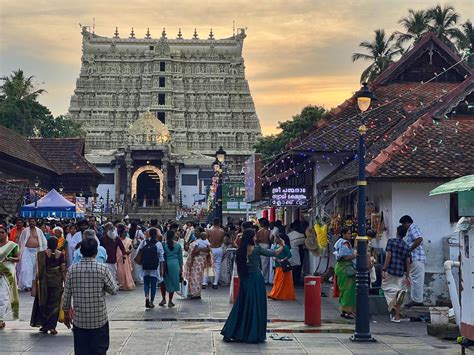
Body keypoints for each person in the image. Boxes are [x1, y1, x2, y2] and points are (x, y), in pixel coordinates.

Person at [221, 228, 285, 343]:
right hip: (256, 279)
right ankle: (253, 333)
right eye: (254, 235)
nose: (256, 237)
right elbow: (273, 253)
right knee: (256, 305)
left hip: (245, 279)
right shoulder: (256, 249)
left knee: (242, 305)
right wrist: (282, 246)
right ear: (252, 237)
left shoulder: (240, 251)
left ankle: (236, 331)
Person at [62, 237, 117, 355]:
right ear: (96, 252)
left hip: (80, 320)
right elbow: (113, 290)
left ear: (80, 251)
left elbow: (66, 295)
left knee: (82, 351)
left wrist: (66, 313)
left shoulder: (72, 270)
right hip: (99, 319)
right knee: (99, 350)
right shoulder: (103, 268)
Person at [30, 236, 67, 334]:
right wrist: (66, 282)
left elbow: (38, 272)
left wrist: (35, 283)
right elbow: (63, 270)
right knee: (54, 305)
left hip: (44, 283)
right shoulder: (61, 255)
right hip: (57, 283)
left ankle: (45, 326)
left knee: (44, 303)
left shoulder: (42, 254)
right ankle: (52, 327)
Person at [382, 225, 411, 322]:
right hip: (400, 271)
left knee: (386, 288)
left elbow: (388, 255)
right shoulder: (406, 246)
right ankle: (396, 317)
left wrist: (384, 268)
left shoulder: (391, 241)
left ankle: (391, 305)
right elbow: (408, 261)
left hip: (390, 269)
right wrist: (407, 276)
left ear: (397, 232)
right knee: (397, 290)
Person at [399, 215, 426, 307]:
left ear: (407, 222)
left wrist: (409, 250)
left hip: (417, 257)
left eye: (403, 224)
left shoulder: (412, 228)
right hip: (415, 258)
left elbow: (419, 239)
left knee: (417, 280)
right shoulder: (410, 230)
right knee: (415, 280)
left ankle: (417, 300)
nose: (403, 227)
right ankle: (416, 299)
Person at [137, 227, 164, 308]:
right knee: (153, 285)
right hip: (154, 267)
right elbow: (161, 258)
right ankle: (151, 301)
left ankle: (147, 297)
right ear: (156, 235)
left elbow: (139, 252)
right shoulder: (158, 243)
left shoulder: (143, 242)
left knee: (146, 283)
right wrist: (161, 269)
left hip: (145, 266)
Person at [17, 218, 47, 291]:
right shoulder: (25, 231)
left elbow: (43, 241)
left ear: (35, 222)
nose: (31, 223)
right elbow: (21, 241)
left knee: (35, 268)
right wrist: (20, 252)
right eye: (30, 222)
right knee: (26, 268)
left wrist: (44, 251)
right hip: (26, 251)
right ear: (28, 223)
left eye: (33, 221)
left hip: (36, 251)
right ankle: (27, 285)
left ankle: (34, 284)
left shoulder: (39, 231)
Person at [333, 227, 356, 319]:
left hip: (341, 267)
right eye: (349, 233)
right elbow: (343, 257)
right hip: (345, 267)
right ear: (344, 234)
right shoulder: (344, 243)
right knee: (348, 290)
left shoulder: (339, 242)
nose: (350, 235)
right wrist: (355, 255)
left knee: (344, 289)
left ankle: (344, 310)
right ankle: (347, 311)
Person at [0, 225, 20, 329]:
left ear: (6, 233)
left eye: (2, 232)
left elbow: (18, 258)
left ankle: (0, 319)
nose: (0, 234)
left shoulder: (12, 246)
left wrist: (9, 258)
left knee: (3, 296)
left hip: (7, 274)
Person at [183, 232, 211, 299]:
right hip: (199, 262)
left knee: (195, 277)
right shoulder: (199, 242)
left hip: (196, 262)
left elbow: (193, 251)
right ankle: (195, 293)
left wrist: (198, 251)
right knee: (197, 277)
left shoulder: (196, 242)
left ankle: (194, 293)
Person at [268, 234, 295, 300]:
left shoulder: (285, 247)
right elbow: (274, 254)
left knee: (280, 281)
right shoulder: (276, 247)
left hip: (283, 266)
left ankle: (276, 294)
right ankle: (278, 294)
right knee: (278, 281)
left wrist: (283, 259)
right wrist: (274, 258)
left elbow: (289, 255)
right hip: (278, 266)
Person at [160, 230, 183, 307]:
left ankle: (163, 299)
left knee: (163, 282)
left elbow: (161, 255)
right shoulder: (178, 245)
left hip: (165, 264)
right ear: (173, 236)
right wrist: (181, 267)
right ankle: (170, 301)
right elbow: (180, 258)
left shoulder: (163, 244)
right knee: (173, 283)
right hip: (175, 265)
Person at [204, 218, 225, 289]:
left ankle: (204, 282)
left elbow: (206, 241)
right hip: (218, 248)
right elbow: (222, 241)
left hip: (211, 248)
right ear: (219, 223)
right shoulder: (222, 231)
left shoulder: (209, 231)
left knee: (207, 266)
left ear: (213, 223)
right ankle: (215, 283)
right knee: (217, 267)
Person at [116, 224, 135, 290]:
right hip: (119, 259)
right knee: (120, 272)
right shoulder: (117, 240)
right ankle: (122, 285)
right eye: (124, 232)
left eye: (126, 232)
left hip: (126, 258)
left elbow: (131, 248)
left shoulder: (129, 240)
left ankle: (128, 285)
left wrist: (129, 251)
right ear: (120, 232)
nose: (125, 233)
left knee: (127, 271)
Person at [287, 221, 306, 286]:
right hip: (295, 251)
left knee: (291, 266)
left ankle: (291, 280)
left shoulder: (288, 235)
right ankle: (295, 280)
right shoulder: (300, 235)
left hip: (289, 251)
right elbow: (304, 241)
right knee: (296, 266)